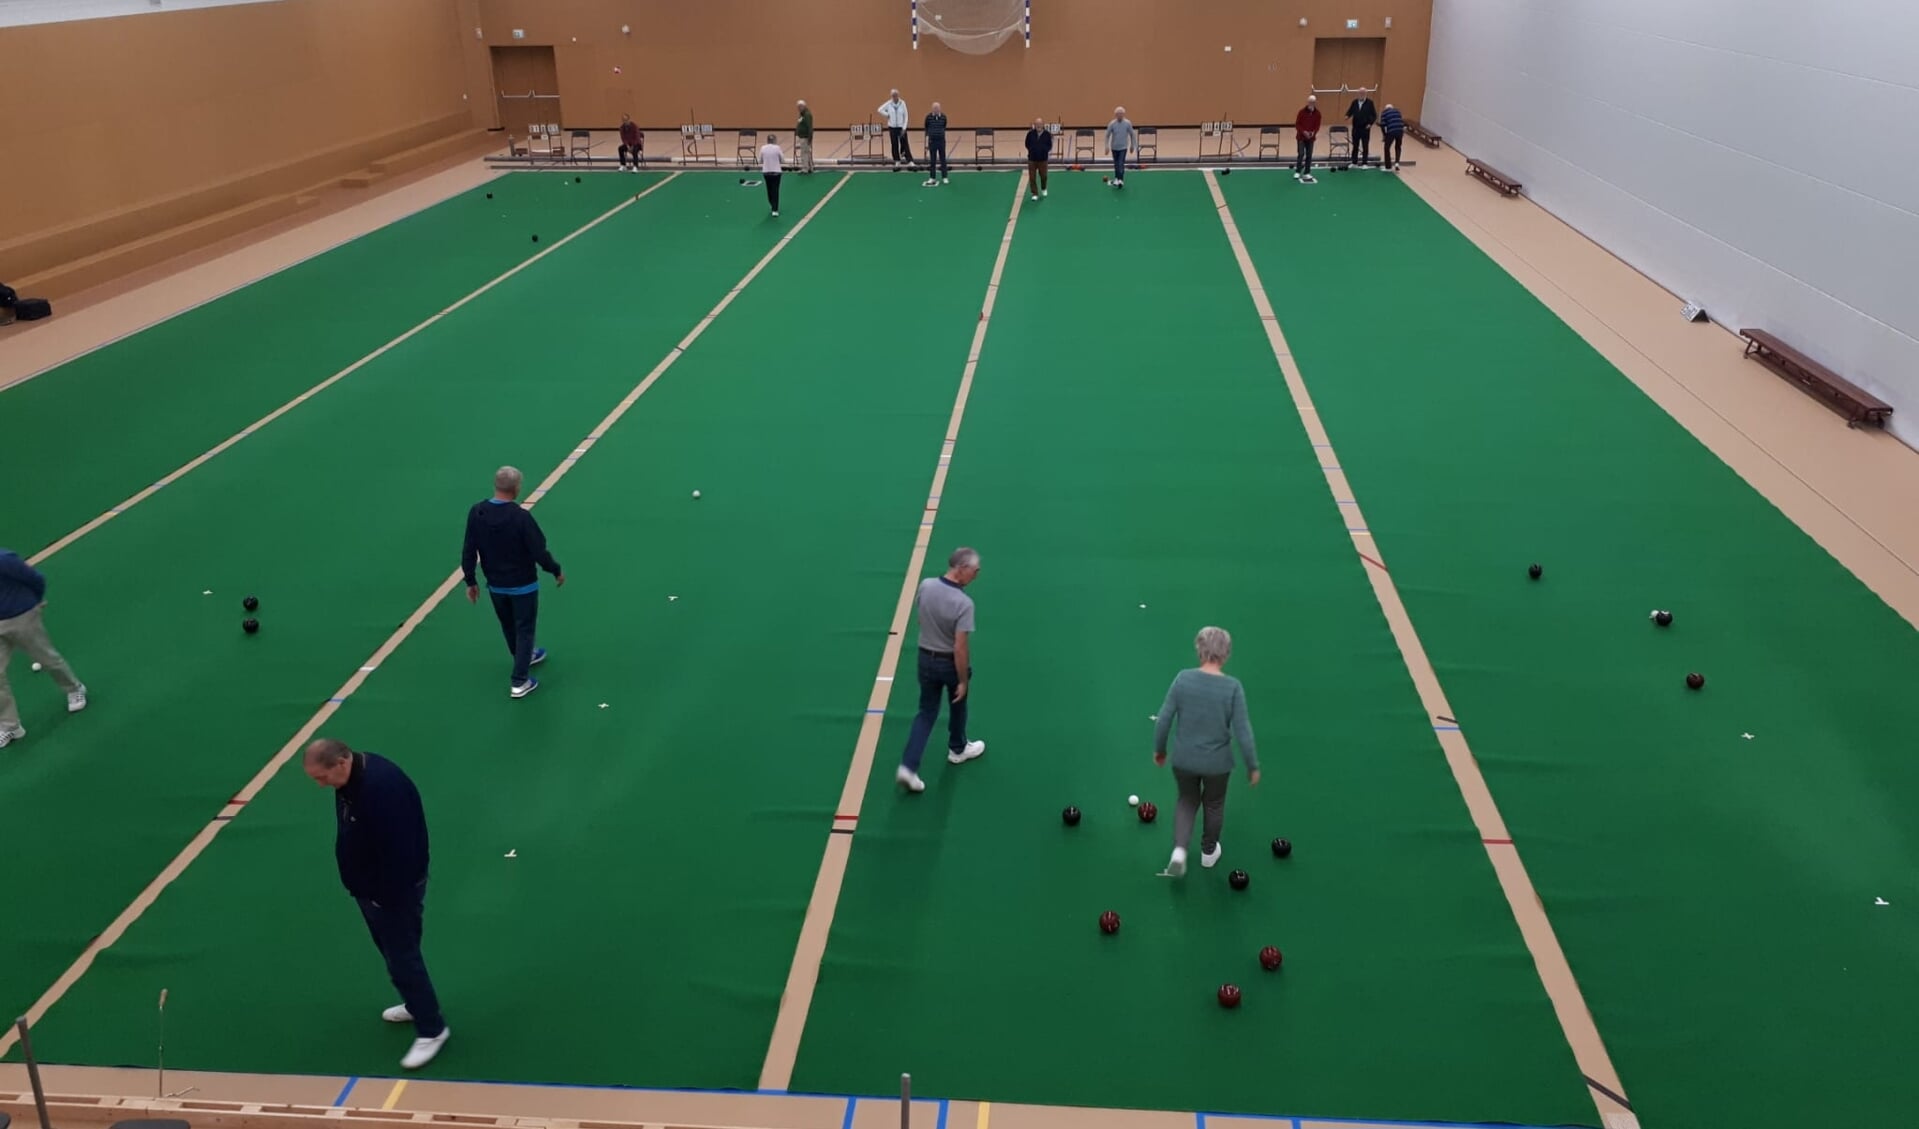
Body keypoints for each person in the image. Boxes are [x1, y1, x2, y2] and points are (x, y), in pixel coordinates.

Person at [304, 738, 448, 1070]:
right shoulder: (351, 780)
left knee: (402, 956)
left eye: (321, 777)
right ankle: (417, 1003)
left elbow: (404, 851)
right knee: (396, 952)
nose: (320, 785)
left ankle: (432, 1029)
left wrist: (386, 896)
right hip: (372, 890)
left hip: (391, 892)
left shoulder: (381, 789)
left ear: (341, 762)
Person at [1153, 626, 1259, 878]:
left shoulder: (1183, 679)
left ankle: (1179, 851)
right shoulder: (1232, 687)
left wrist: (1160, 749)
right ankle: (1209, 852)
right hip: (1217, 764)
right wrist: (1252, 765)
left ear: (1199, 651)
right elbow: (1243, 731)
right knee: (1214, 804)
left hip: (1184, 759)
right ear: (1226, 655)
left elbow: (1164, 719)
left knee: (1187, 801)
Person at [461, 466, 564, 699]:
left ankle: (522, 656)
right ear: (516, 488)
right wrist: (555, 570)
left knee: (509, 625)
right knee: (525, 628)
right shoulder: (521, 517)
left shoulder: (477, 513)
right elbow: (539, 550)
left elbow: (469, 549)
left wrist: (471, 580)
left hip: (496, 585)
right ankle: (520, 680)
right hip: (523, 585)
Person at [896, 547, 987, 794]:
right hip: (948, 663)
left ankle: (908, 766)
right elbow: (959, 647)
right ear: (961, 568)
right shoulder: (964, 604)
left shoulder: (925, 585)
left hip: (925, 658)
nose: (976, 575)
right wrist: (962, 679)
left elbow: (920, 619)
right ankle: (958, 748)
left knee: (926, 712)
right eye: (974, 571)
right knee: (958, 704)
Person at [0, 548, 86, 749]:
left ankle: (74, 688)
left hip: (21, 616)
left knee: (46, 658)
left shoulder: (4, 560)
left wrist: (34, 604)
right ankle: (10, 725)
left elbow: (34, 578)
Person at [878, 88, 913, 169]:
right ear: (891, 96)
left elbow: (906, 116)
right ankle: (897, 160)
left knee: (905, 144)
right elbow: (879, 109)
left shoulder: (902, 103)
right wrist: (887, 114)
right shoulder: (889, 103)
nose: (894, 97)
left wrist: (904, 127)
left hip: (901, 127)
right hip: (892, 127)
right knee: (894, 144)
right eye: (893, 96)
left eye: (896, 95)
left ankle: (910, 161)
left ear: (898, 95)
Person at [1294, 95, 1322, 183]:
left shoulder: (1318, 114)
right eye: (1310, 102)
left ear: (1315, 103)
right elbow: (1297, 124)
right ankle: (1298, 171)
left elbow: (1317, 126)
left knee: (1309, 155)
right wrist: (1304, 132)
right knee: (1301, 154)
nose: (1311, 103)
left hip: (1311, 138)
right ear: (1308, 102)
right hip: (1301, 137)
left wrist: (1313, 132)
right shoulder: (1301, 112)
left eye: (1313, 102)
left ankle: (1307, 172)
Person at [1105, 106, 1136, 188]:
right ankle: (1116, 178)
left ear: (1123, 114)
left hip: (1123, 147)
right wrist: (1106, 146)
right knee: (1116, 164)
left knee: (1120, 163)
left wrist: (1132, 145)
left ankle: (1121, 180)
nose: (1120, 115)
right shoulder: (1112, 124)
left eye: (1121, 114)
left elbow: (1132, 134)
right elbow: (1107, 135)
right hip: (1114, 147)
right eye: (1118, 114)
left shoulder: (1127, 123)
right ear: (1115, 115)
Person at [1345, 92, 1377, 166]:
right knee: (1355, 145)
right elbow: (1350, 110)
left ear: (1365, 94)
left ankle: (1364, 162)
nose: (1361, 95)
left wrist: (1370, 124)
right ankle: (1354, 162)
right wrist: (1347, 115)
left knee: (1365, 146)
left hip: (1365, 128)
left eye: (1362, 94)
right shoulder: (1355, 102)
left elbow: (1374, 115)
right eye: (1360, 94)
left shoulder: (1370, 103)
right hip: (1356, 128)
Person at [922, 101, 949, 186]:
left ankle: (944, 177)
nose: (936, 109)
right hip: (932, 141)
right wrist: (930, 134)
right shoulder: (928, 117)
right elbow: (926, 126)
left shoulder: (944, 117)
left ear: (940, 109)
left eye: (937, 108)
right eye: (934, 108)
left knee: (943, 159)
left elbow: (944, 126)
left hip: (941, 141)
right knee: (932, 160)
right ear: (932, 109)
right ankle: (932, 177)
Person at [1024, 117, 1053, 200]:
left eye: (1040, 124)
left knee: (1043, 176)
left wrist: (1044, 150)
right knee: (1032, 177)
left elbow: (1049, 145)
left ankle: (1043, 188)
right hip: (1032, 159)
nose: (1038, 126)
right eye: (1037, 124)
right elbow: (1026, 144)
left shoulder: (1047, 134)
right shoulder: (1030, 134)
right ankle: (1034, 193)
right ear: (1034, 125)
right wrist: (1032, 150)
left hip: (1043, 160)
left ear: (1043, 125)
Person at [760, 133, 785, 217]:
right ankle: (775, 209)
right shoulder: (777, 148)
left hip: (766, 172)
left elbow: (760, 160)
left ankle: (772, 204)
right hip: (776, 172)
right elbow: (782, 159)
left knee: (769, 189)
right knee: (775, 190)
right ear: (774, 140)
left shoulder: (763, 148)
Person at [1379, 102, 1406, 171]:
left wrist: (1384, 135)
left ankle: (1388, 167)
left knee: (1387, 147)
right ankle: (1397, 163)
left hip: (1392, 131)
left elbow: (1382, 125)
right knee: (1398, 147)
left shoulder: (1384, 113)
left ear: (1386, 108)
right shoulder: (1397, 111)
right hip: (1400, 130)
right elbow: (1401, 121)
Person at [795, 99, 815, 174]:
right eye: (798, 107)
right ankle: (810, 167)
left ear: (803, 106)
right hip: (802, 137)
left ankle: (805, 168)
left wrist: (810, 138)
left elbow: (809, 127)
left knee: (804, 153)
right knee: (807, 152)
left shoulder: (807, 115)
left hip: (805, 137)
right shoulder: (802, 114)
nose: (798, 108)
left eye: (800, 107)